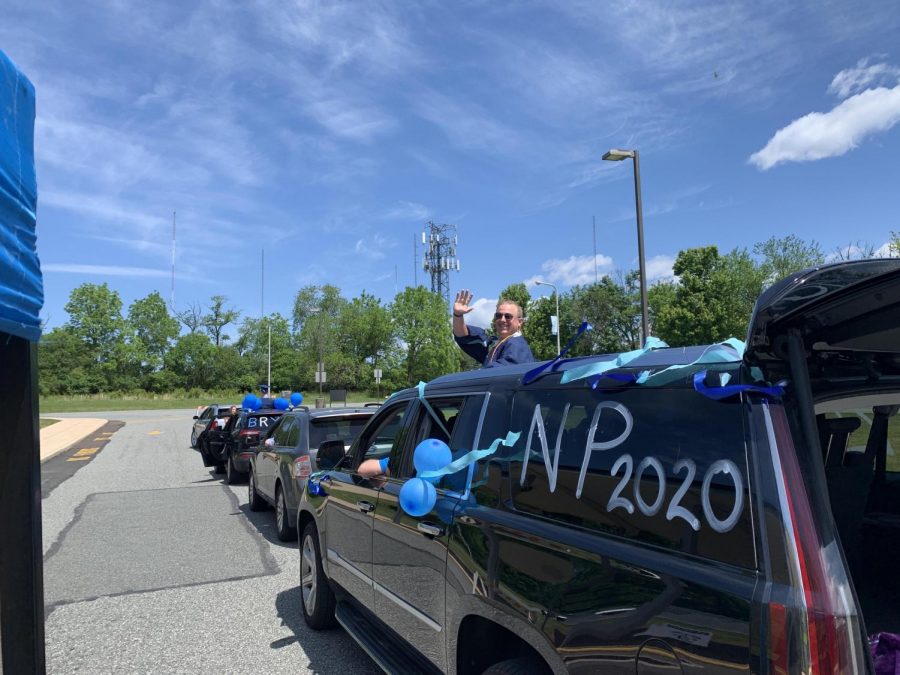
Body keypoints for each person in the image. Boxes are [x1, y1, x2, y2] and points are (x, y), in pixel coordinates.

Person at [452, 289, 535, 368]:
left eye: (508, 316)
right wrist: (458, 315)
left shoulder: (517, 345)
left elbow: (501, 372)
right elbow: (463, 336)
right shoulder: (495, 345)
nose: (502, 320)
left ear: (519, 322)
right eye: (499, 316)